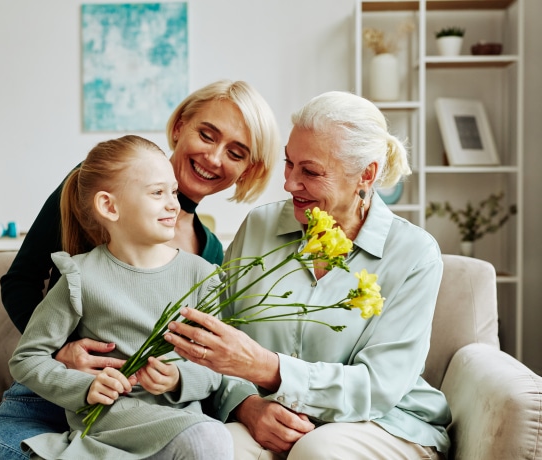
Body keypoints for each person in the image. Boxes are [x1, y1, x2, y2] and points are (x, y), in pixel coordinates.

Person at [0, 79, 280, 459]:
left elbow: (209, 360)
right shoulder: (103, 184)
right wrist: (61, 354)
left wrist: (239, 401)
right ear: (180, 125)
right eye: (207, 134)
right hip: (57, 391)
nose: (214, 158)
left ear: (247, 169)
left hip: (150, 412)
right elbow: (21, 282)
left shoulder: (209, 257)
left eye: (236, 153)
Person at [164, 91, 452, 459]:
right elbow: (216, 340)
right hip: (271, 418)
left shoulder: (414, 254)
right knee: (215, 449)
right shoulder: (261, 226)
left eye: (311, 172)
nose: (289, 184)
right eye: (289, 163)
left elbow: (380, 387)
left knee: (318, 450)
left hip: (386, 423)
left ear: (366, 174)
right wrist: (246, 405)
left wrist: (270, 369)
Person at [8, 135, 233, 459]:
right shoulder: (79, 277)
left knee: (208, 437)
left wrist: (179, 377)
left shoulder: (202, 275)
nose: (173, 203)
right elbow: (26, 360)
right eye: (157, 193)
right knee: (209, 438)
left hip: (181, 423)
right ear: (109, 206)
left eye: (173, 191)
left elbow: (216, 367)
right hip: (110, 424)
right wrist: (84, 388)